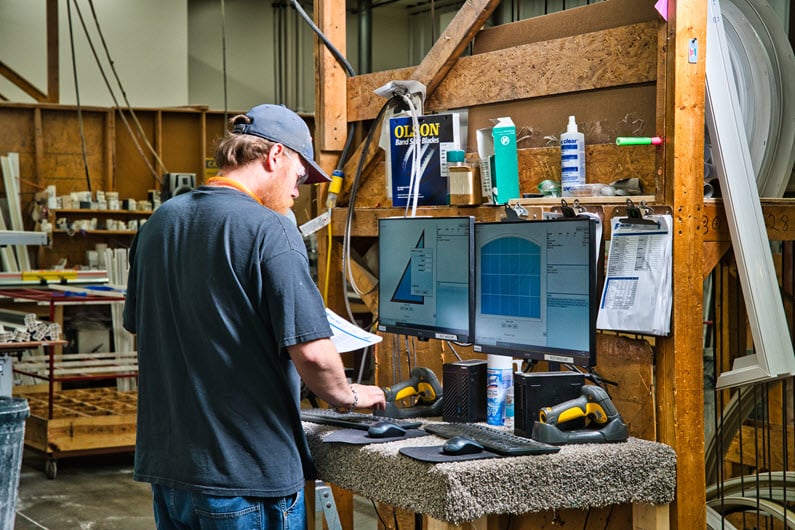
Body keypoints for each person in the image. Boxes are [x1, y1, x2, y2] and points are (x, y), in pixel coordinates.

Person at [123, 103, 386, 530]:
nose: (299, 192)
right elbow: (315, 355)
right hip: (246, 477)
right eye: (300, 176)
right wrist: (350, 396)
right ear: (275, 156)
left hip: (170, 472)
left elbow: (147, 331)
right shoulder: (272, 228)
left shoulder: (157, 224)